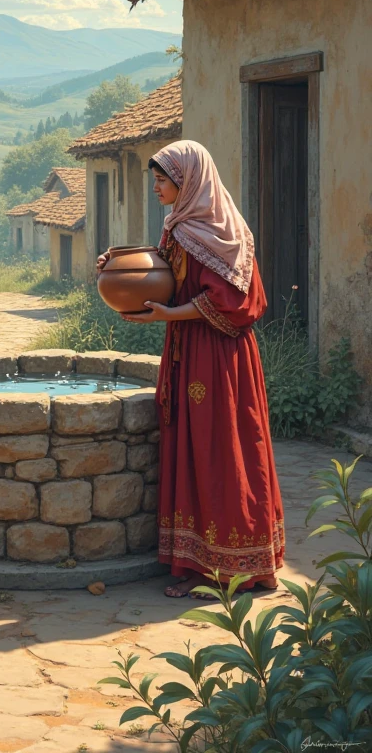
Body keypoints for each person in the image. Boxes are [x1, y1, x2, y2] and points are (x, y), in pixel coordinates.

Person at [98, 140, 284, 599]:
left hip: (221, 359)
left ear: (188, 181)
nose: (158, 187)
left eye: (163, 180)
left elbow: (239, 305)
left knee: (223, 450)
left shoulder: (226, 233)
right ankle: (197, 561)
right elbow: (163, 275)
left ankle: (233, 564)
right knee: (195, 448)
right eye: (157, 180)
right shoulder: (178, 228)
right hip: (188, 351)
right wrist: (115, 263)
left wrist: (167, 315)